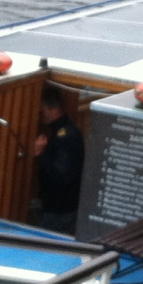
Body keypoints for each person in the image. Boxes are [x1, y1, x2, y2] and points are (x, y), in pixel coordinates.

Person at [32, 88, 85, 235]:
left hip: (59, 210)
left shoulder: (65, 137)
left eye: (42, 111)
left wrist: (40, 154)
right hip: (63, 206)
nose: (41, 115)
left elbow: (61, 176)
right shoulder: (66, 130)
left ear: (53, 109)